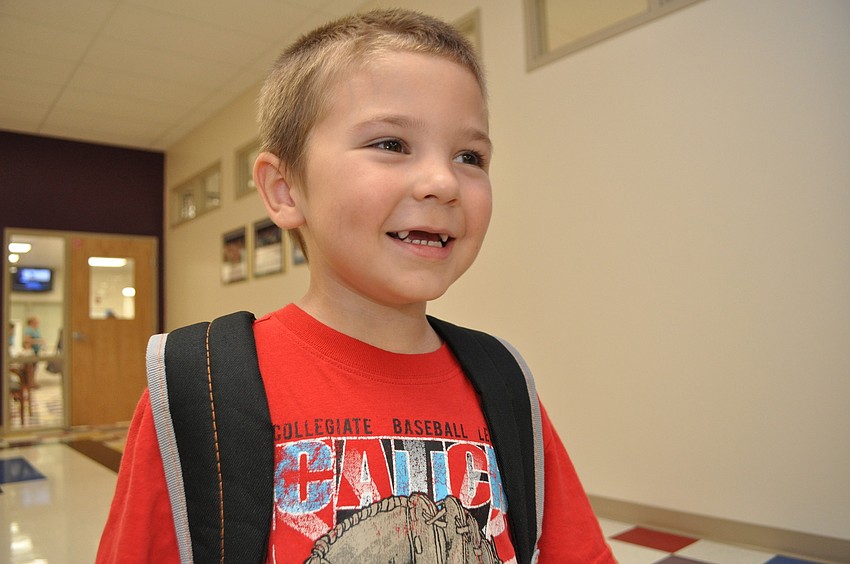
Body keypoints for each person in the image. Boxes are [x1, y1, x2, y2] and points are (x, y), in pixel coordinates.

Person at [97, 9, 615, 563]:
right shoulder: (196, 383)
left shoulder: (505, 381)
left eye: (470, 156)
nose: (443, 181)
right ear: (285, 191)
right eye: (391, 144)